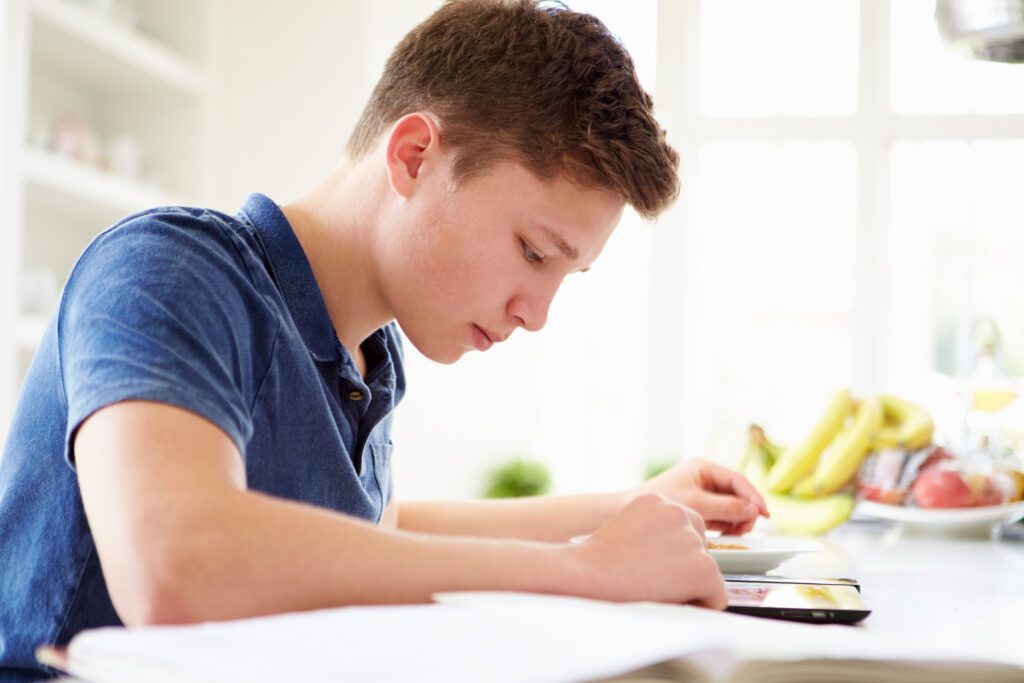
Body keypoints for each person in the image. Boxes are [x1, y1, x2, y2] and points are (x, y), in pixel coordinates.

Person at [0, 1, 767, 679]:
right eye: (534, 252)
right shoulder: (171, 268)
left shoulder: (370, 354)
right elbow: (176, 563)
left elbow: (376, 530)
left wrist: (627, 506)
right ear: (414, 155)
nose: (536, 314)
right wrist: (582, 569)